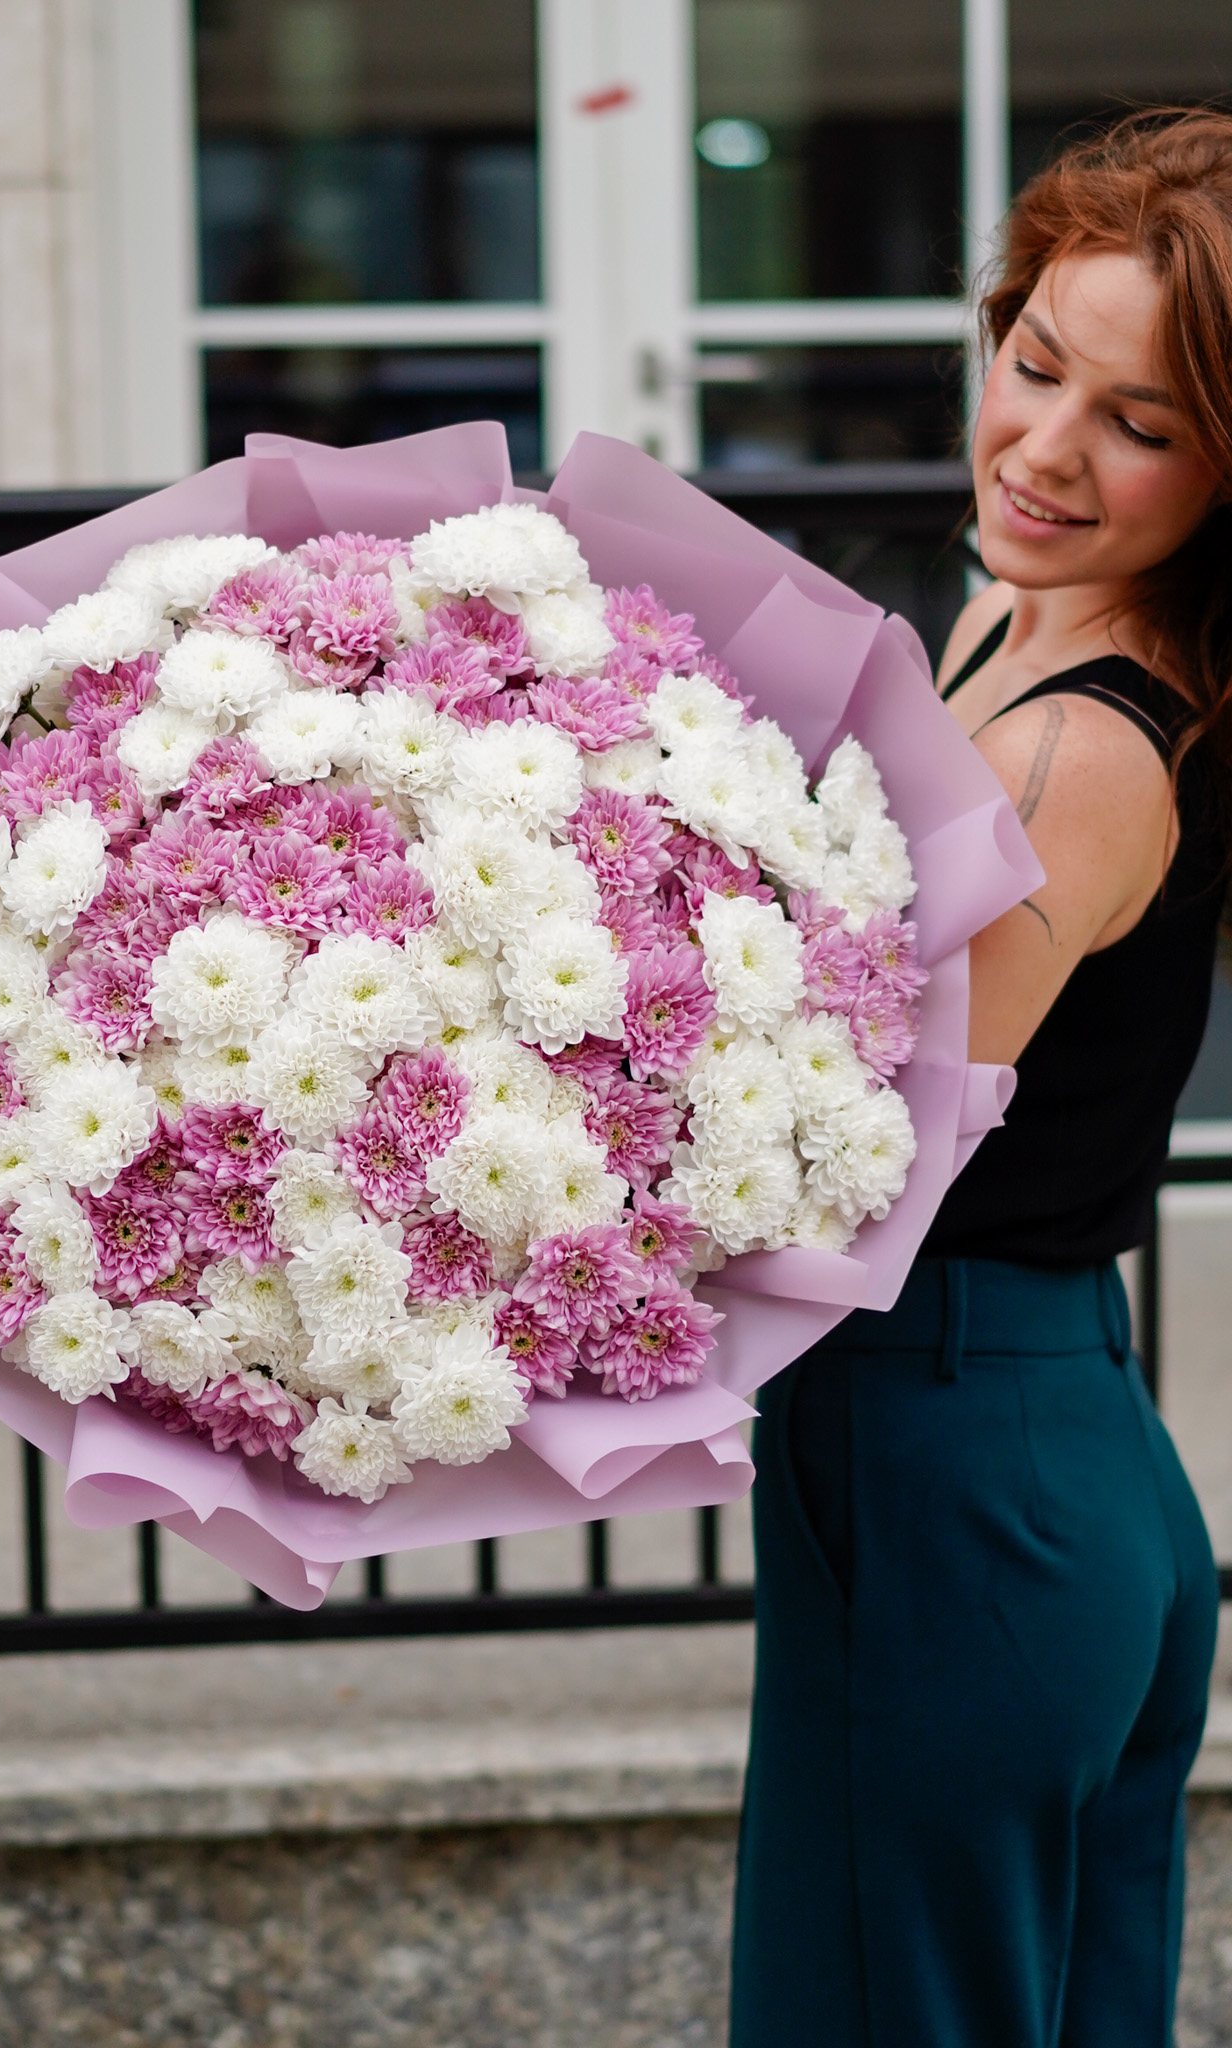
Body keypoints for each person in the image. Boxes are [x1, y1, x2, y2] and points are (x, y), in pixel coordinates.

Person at [730, 110, 1232, 2048]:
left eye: (1142, 423)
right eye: (1036, 363)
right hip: (1003, 1452)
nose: (1044, 448)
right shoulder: (1010, 622)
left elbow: (847, 1156)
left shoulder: (1077, 752)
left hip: (961, 1470)